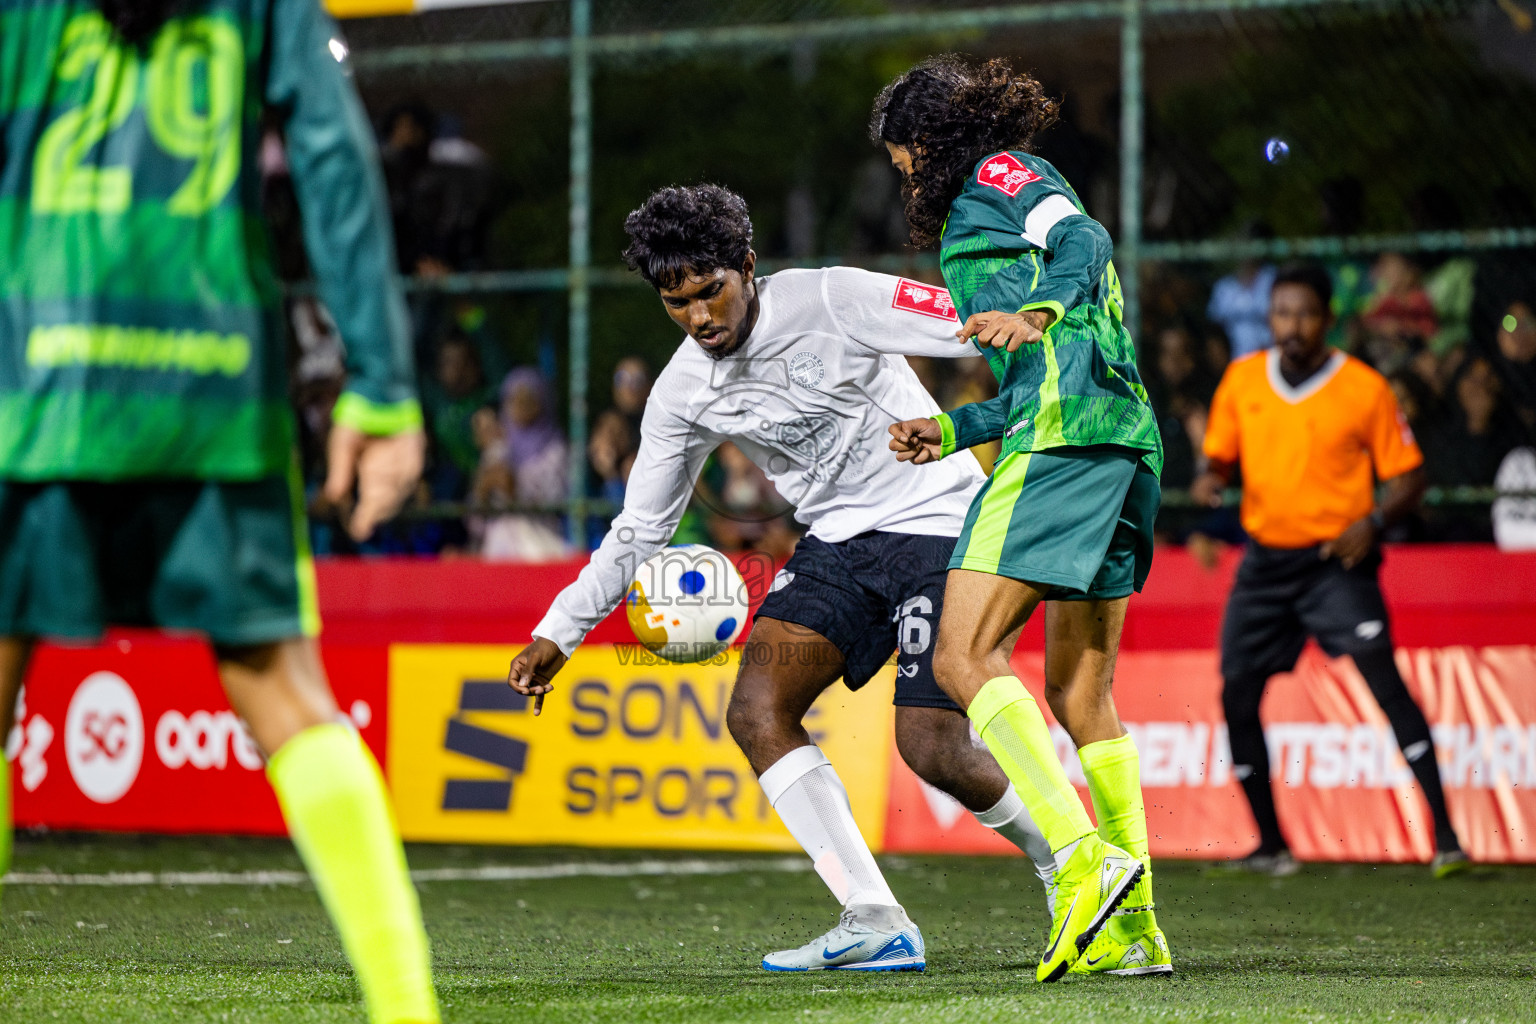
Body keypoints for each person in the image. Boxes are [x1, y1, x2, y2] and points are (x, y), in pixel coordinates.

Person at [0, 3, 439, 1022]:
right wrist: (379, 382)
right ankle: (408, 1013)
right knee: (285, 692)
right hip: (212, 384)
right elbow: (332, 157)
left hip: (33, 383)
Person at [509, 184, 1063, 974]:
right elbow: (642, 528)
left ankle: (1069, 866)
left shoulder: (833, 296)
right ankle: (874, 918)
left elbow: (969, 320)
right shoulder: (682, 392)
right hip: (836, 543)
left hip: (938, 520)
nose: (700, 318)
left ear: (748, 267)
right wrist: (557, 632)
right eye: (677, 302)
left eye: (711, 292)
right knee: (758, 709)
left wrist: (1046, 322)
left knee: (931, 744)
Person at [875, 55, 1170, 982]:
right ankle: (1133, 933)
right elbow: (1035, 370)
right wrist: (954, 426)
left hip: (1063, 444)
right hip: (1117, 442)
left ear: (926, 146)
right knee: (1082, 695)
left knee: (962, 657)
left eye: (900, 162)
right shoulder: (985, 215)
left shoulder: (1004, 177)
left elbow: (1086, 238)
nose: (902, 182)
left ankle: (1083, 866)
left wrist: (1040, 306)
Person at [1190, 264, 1467, 879]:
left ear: (1327, 319)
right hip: (1265, 564)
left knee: (1385, 688)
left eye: (1305, 313)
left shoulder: (1363, 386)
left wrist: (1372, 520)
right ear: (1270, 317)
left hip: (1335, 564)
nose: (1292, 325)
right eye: (1282, 312)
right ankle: (1270, 845)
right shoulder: (1242, 380)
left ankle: (1448, 838)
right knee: (1237, 694)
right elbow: (1221, 457)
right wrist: (1211, 476)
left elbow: (1411, 477)